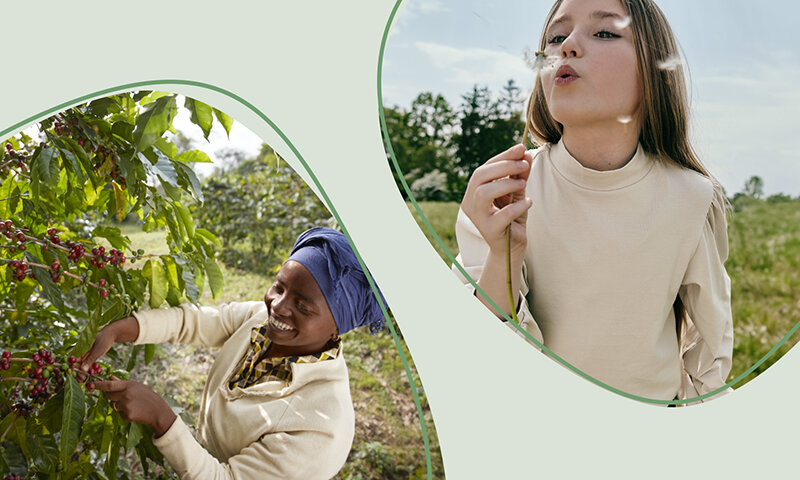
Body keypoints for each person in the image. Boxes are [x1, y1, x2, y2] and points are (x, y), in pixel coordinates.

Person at [453, 0, 733, 403]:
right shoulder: (506, 190)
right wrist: (503, 257)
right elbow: (474, 358)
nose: (566, 46)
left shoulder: (691, 196)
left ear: (655, 71)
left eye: (604, 32)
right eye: (554, 36)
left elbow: (711, 347)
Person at [79, 227, 386, 479]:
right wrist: (120, 329)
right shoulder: (258, 322)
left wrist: (163, 419)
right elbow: (195, 322)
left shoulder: (320, 426)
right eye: (279, 287)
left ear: (337, 329)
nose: (278, 306)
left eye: (302, 306)